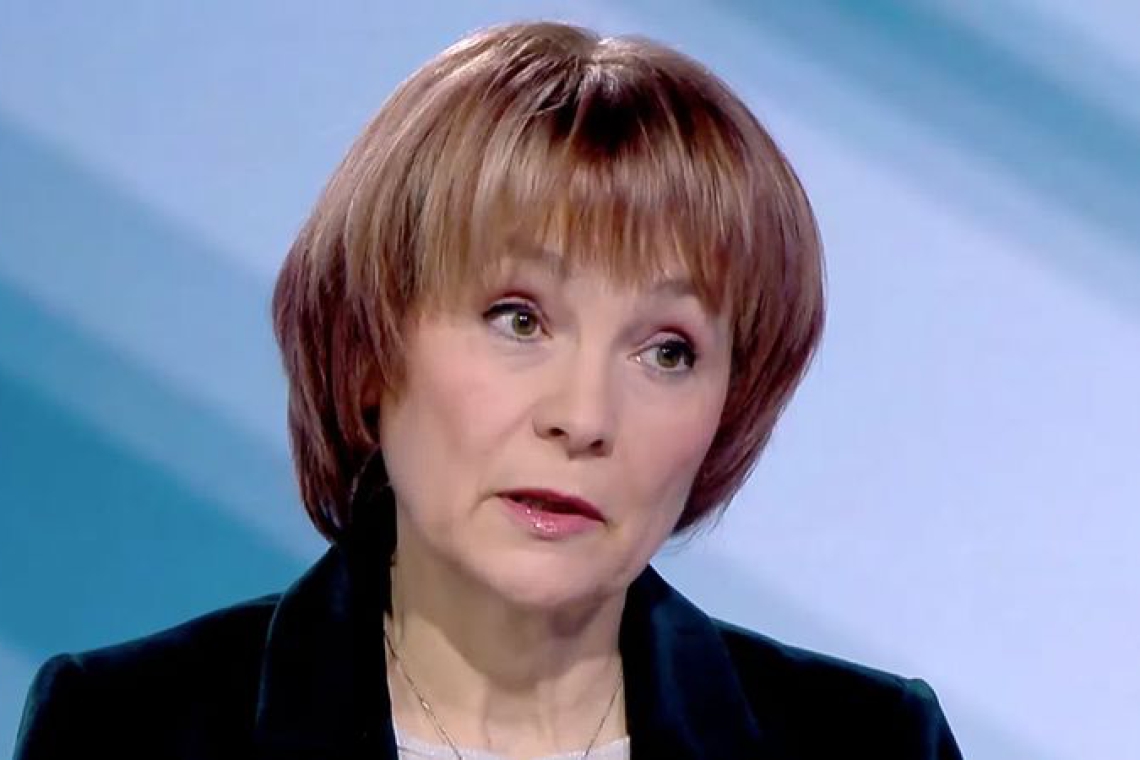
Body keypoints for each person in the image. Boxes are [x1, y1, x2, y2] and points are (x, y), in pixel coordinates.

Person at [14, 20, 963, 760]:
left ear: (731, 408)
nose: (583, 418)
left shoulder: (873, 744)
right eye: (519, 319)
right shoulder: (126, 730)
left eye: (667, 351)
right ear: (371, 345)